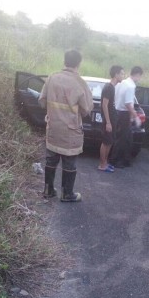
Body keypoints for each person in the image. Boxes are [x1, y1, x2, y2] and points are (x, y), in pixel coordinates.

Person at [39, 49, 93, 202]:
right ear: (78, 63)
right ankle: (67, 194)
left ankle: (48, 190)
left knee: (51, 159)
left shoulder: (52, 78)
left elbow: (42, 101)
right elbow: (86, 110)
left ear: (64, 61)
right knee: (69, 162)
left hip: (53, 128)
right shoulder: (80, 83)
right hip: (71, 131)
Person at [111, 66, 143, 168]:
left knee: (127, 138)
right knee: (122, 139)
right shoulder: (130, 86)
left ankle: (125, 160)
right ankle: (116, 161)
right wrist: (135, 116)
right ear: (138, 75)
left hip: (118, 112)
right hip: (124, 113)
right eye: (140, 76)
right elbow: (129, 104)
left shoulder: (123, 83)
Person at [98, 65, 125, 172]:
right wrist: (108, 122)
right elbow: (104, 105)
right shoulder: (108, 87)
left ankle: (105, 162)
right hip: (109, 120)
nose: (123, 76)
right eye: (122, 73)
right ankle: (102, 164)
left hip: (113, 119)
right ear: (116, 74)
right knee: (106, 142)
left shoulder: (112, 87)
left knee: (110, 142)